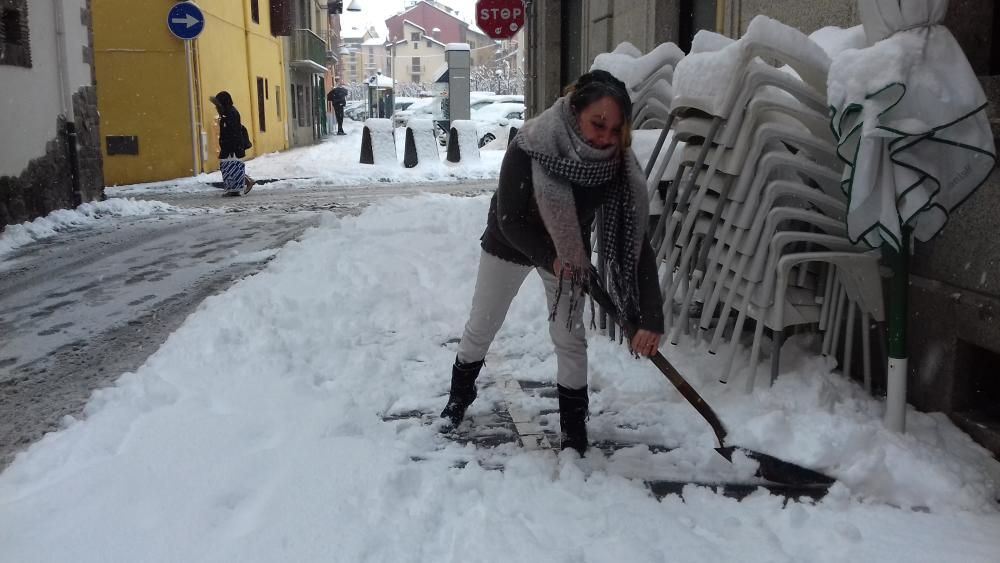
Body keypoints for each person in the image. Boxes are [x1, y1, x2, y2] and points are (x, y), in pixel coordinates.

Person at [441, 70, 664, 456]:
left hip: (569, 251)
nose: (606, 138)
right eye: (598, 124)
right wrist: (551, 258)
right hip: (512, 241)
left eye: (616, 130)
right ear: (575, 111)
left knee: (569, 337)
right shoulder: (530, 144)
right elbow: (510, 218)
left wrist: (650, 318)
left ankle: (574, 433)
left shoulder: (616, 168)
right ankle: (458, 398)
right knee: (482, 325)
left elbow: (635, 241)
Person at [210, 91, 254, 196]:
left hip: (232, 147)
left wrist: (231, 148)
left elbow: (233, 132)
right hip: (230, 146)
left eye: (218, 104)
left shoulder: (230, 113)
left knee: (231, 167)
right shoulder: (227, 113)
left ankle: (234, 190)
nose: (216, 107)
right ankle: (242, 184)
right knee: (228, 166)